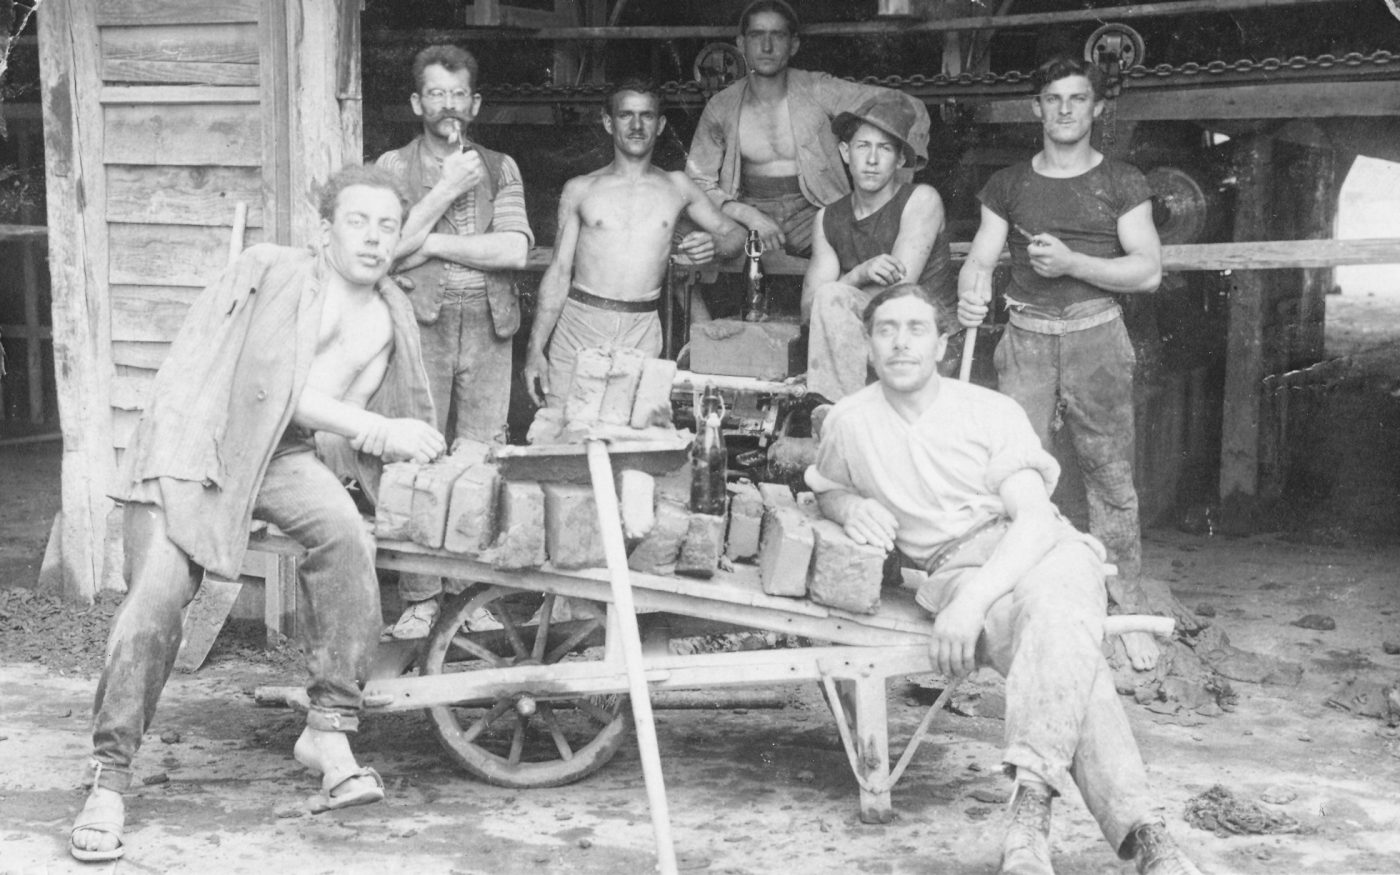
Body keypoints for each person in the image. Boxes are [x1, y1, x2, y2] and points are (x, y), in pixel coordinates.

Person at [68, 165, 445, 863]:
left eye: (387, 225)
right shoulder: (275, 273)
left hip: (285, 456)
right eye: (357, 221)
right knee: (158, 596)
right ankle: (110, 774)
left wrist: (393, 465)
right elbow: (277, 389)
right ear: (326, 230)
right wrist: (379, 427)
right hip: (207, 441)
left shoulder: (388, 318)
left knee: (345, 536)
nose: (372, 238)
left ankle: (328, 728)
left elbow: (319, 429)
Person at [807, 284, 1200, 875]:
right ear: (867, 343)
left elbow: (1035, 519)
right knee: (1068, 645)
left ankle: (1031, 814)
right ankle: (1146, 836)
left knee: (1059, 606)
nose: (900, 342)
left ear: (943, 343)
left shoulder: (988, 411)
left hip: (1040, 549)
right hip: (954, 567)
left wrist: (971, 608)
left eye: (917, 328)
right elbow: (829, 484)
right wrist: (846, 506)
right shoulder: (849, 421)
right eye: (886, 329)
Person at [957, 54, 1167, 671]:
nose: (1067, 110)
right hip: (1024, 337)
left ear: (1097, 107)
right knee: (1007, 475)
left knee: (1108, 476)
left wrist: (1074, 264)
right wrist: (973, 284)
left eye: (1079, 99)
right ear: (1037, 108)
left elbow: (1148, 270)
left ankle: (1122, 608)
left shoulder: (1124, 181)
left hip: (1095, 336)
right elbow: (982, 256)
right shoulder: (1008, 183)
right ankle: (1003, 607)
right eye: (1054, 99)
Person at [375, 44, 533, 639]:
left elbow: (513, 250)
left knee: (481, 458)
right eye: (436, 93)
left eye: (459, 93)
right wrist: (443, 192)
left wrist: (434, 244)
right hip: (421, 322)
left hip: (491, 322)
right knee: (418, 454)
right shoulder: (392, 168)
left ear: (476, 103)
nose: (449, 104)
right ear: (418, 102)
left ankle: (469, 595)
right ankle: (420, 597)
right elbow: (386, 251)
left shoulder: (501, 167)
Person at [523, 80, 745, 409]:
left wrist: (713, 242)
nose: (637, 126)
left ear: (661, 125)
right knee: (563, 432)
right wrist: (534, 350)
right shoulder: (581, 189)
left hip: (641, 327)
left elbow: (736, 236)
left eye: (647, 116)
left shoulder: (677, 185)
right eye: (626, 115)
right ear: (609, 122)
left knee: (631, 439)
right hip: (579, 324)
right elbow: (558, 274)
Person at [685, 0, 931, 259]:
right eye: (757, 35)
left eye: (777, 35)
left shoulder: (818, 89)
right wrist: (747, 214)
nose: (766, 47)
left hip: (814, 210)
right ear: (741, 43)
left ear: (793, 45)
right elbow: (696, 181)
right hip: (747, 215)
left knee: (865, 258)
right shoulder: (722, 106)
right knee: (688, 240)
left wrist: (894, 194)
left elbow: (908, 105)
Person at [802, 93, 955, 405]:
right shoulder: (828, 218)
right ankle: (839, 419)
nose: (872, 159)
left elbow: (898, 297)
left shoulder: (921, 200)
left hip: (922, 341)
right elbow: (809, 310)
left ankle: (841, 418)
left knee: (834, 296)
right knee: (831, 298)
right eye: (862, 146)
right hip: (864, 346)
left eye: (884, 148)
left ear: (899, 159)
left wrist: (843, 286)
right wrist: (858, 273)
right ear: (845, 152)